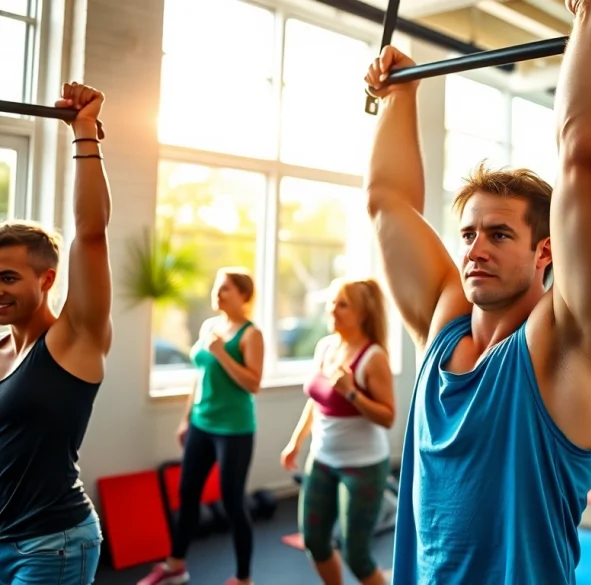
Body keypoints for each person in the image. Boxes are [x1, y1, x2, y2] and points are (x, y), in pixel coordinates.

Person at [362, 0, 591, 580]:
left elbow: (585, 161)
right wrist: (399, 95)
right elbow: (387, 203)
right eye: (469, 234)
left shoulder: (564, 350)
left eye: (499, 234)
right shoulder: (442, 325)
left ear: (545, 252)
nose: (475, 250)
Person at [0, 82, 112, 585]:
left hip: (53, 545)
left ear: (46, 280)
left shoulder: (75, 339)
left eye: (8, 277)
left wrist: (84, 132)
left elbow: (91, 234)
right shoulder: (2, 347)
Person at [139, 268, 265, 585]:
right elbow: (200, 377)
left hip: (234, 429)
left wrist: (222, 353)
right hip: (201, 423)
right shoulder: (210, 327)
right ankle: (175, 565)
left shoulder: (251, 334)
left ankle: (244, 578)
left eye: (225, 289)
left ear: (243, 295)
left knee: (232, 502)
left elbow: (253, 384)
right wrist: (186, 419)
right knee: (187, 492)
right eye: (216, 287)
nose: (217, 293)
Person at [281, 278, 395, 585]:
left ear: (362, 313)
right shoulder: (326, 347)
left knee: (357, 556)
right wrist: (295, 442)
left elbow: (387, 417)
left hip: (363, 466)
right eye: (331, 302)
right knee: (314, 541)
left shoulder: (373, 357)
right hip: (322, 459)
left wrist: (351, 392)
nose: (332, 310)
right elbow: (316, 402)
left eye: (342, 304)